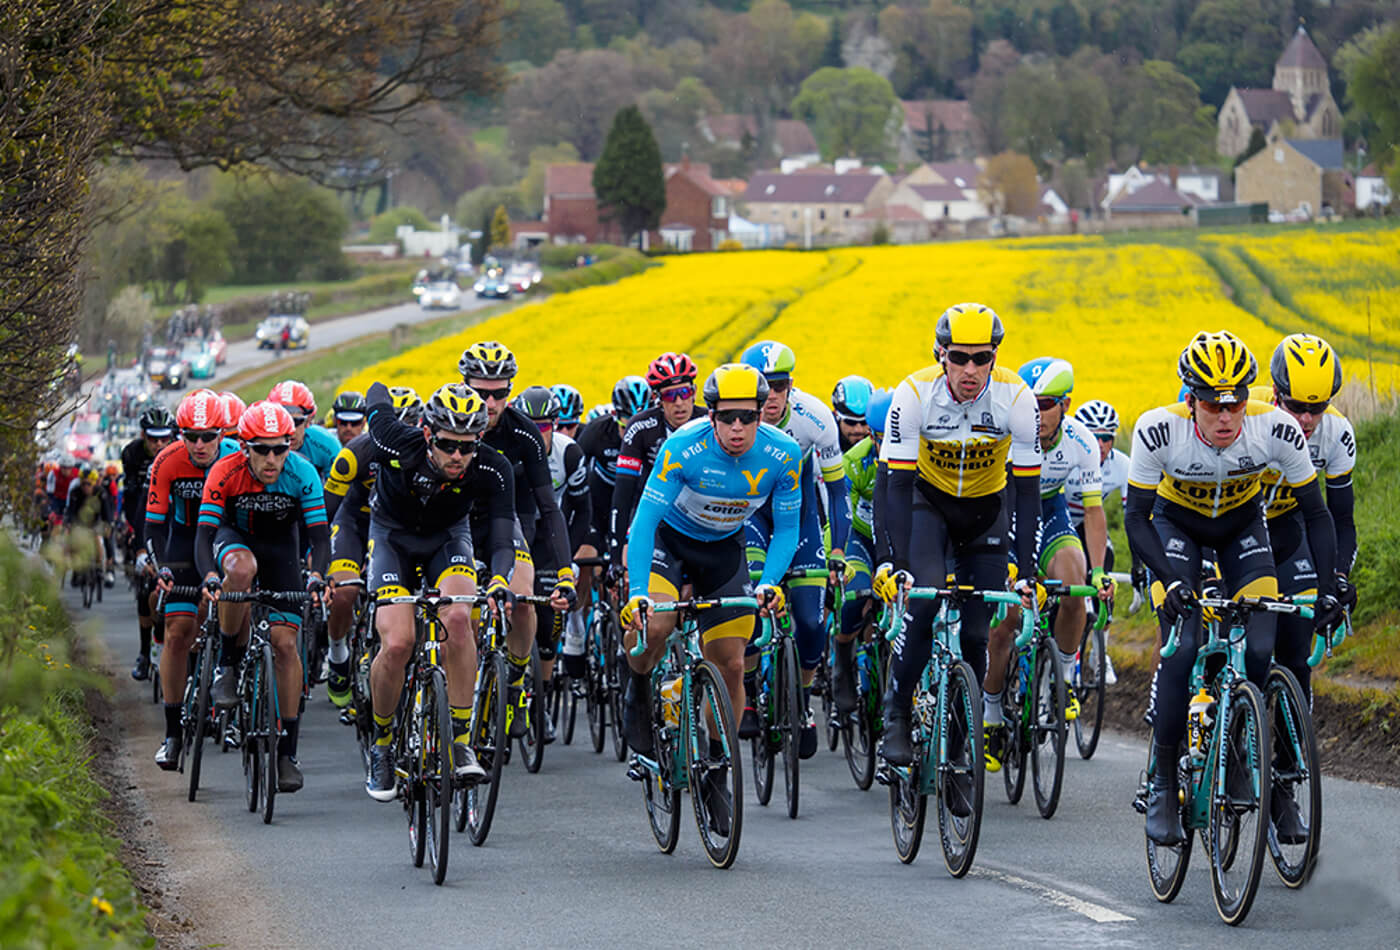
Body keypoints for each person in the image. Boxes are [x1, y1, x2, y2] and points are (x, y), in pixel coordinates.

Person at [1126, 330, 1340, 846]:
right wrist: (1171, 579)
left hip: (1243, 530)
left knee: (1262, 652)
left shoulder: (1277, 430)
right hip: (1176, 531)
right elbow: (1135, 517)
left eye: (1236, 403)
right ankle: (1162, 780)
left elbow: (1316, 514)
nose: (1225, 418)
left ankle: (1246, 757)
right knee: (1185, 649)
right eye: (1211, 405)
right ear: (1189, 398)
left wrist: (1331, 586)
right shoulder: (1158, 430)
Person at [621, 363, 800, 834]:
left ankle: (718, 762)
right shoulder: (683, 447)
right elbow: (643, 523)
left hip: (724, 552)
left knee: (733, 663)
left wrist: (771, 582)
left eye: (747, 417)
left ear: (763, 413)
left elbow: (788, 529)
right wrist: (639, 593)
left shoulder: (783, 454)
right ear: (712, 413)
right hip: (669, 543)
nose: (737, 428)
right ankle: (638, 688)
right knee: (654, 626)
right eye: (727, 418)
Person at [876, 303, 1042, 782]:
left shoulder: (1017, 398)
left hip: (986, 513)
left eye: (982, 358)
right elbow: (894, 484)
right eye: (960, 357)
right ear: (941, 354)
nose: (971, 369)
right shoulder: (913, 394)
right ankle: (898, 712)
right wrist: (894, 561)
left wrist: (1027, 571)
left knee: (976, 633)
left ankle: (961, 742)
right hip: (927, 506)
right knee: (924, 601)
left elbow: (1028, 493)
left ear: (995, 357)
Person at [361, 382, 514, 800]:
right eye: (448, 445)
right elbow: (376, 398)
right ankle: (382, 743)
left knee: (462, 616)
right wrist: (384, 389)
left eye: (468, 446)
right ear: (428, 434)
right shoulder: (395, 441)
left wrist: (499, 581)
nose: (458, 457)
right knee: (397, 643)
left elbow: (502, 539)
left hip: (447, 538)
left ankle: (459, 741)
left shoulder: (493, 468)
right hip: (392, 535)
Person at [981, 358, 1113, 771]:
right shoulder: (1004, 432)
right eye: (1030, 403)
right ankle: (991, 714)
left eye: (1047, 404)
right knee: (1007, 620)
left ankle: (1065, 676)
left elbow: (1092, 512)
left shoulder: (1081, 441)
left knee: (1074, 581)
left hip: (1049, 510)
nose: (1037, 413)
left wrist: (1099, 571)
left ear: (1066, 404)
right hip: (1002, 511)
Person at [196, 401, 331, 794]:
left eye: (280, 448)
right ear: (244, 448)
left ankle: (287, 753)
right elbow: (204, 536)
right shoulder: (225, 471)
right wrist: (209, 575)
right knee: (240, 571)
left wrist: (318, 576)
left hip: (281, 551)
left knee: (286, 646)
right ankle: (228, 665)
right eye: (262, 449)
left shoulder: (302, 473)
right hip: (234, 540)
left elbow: (320, 538)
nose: (272, 459)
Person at [458, 341, 576, 739]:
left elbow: (549, 506)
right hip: (453, 524)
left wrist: (565, 572)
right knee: (460, 616)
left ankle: (513, 687)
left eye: (500, 393)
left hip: (505, 523)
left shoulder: (523, 432)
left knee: (522, 600)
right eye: (480, 392)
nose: (490, 403)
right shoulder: (446, 418)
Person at [739, 340, 850, 758]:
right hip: (751, 518)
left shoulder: (814, 418)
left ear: (791, 385)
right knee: (748, 603)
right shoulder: (737, 421)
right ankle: (749, 692)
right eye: (763, 389)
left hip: (800, 520)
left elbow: (838, 493)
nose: (772, 397)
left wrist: (837, 551)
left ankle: (802, 700)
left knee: (809, 620)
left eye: (780, 386)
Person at [146, 390, 240, 769]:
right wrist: (162, 568)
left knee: (239, 605)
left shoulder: (239, 456)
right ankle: (172, 734)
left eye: (208, 436)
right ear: (179, 434)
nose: (199, 445)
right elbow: (152, 528)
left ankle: (234, 685)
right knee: (178, 631)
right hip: (185, 542)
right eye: (190, 436)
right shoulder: (167, 460)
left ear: (223, 433)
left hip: (226, 538)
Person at [322, 386, 423, 709]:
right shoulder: (356, 453)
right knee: (345, 592)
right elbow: (325, 511)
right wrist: (319, 558)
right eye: (396, 423)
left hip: (398, 529)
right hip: (356, 523)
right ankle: (338, 653)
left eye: (411, 424)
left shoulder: (428, 456)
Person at [512, 385, 591, 733]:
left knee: (547, 626)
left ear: (555, 425)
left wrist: (569, 558)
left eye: (544, 426)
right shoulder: (508, 451)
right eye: (530, 425)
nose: (536, 433)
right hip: (511, 528)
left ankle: (540, 699)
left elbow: (582, 509)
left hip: (550, 532)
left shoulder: (569, 453)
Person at [830, 388, 892, 715]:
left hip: (897, 539)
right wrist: (836, 557)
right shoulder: (855, 460)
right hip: (860, 536)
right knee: (857, 593)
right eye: (883, 439)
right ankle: (842, 656)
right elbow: (839, 518)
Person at [122, 406, 177, 681]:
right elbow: (133, 503)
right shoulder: (132, 454)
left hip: (174, 521)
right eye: (153, 438)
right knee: (146, 587)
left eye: (164, 438)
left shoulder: (180, 452)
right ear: (143, 435)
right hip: (144, 515)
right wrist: (139, 542)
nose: (159, 444)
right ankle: (145, 653)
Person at [268, 380, 340, 481]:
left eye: (296, 422)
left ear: (308, 421)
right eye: (282, 422)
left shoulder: (327, 444)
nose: (290, 430)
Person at [831, 375, 874, 452]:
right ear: (836, 415)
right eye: (850, 422)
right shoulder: (822, 438)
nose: (858, 430)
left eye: (864, 422)